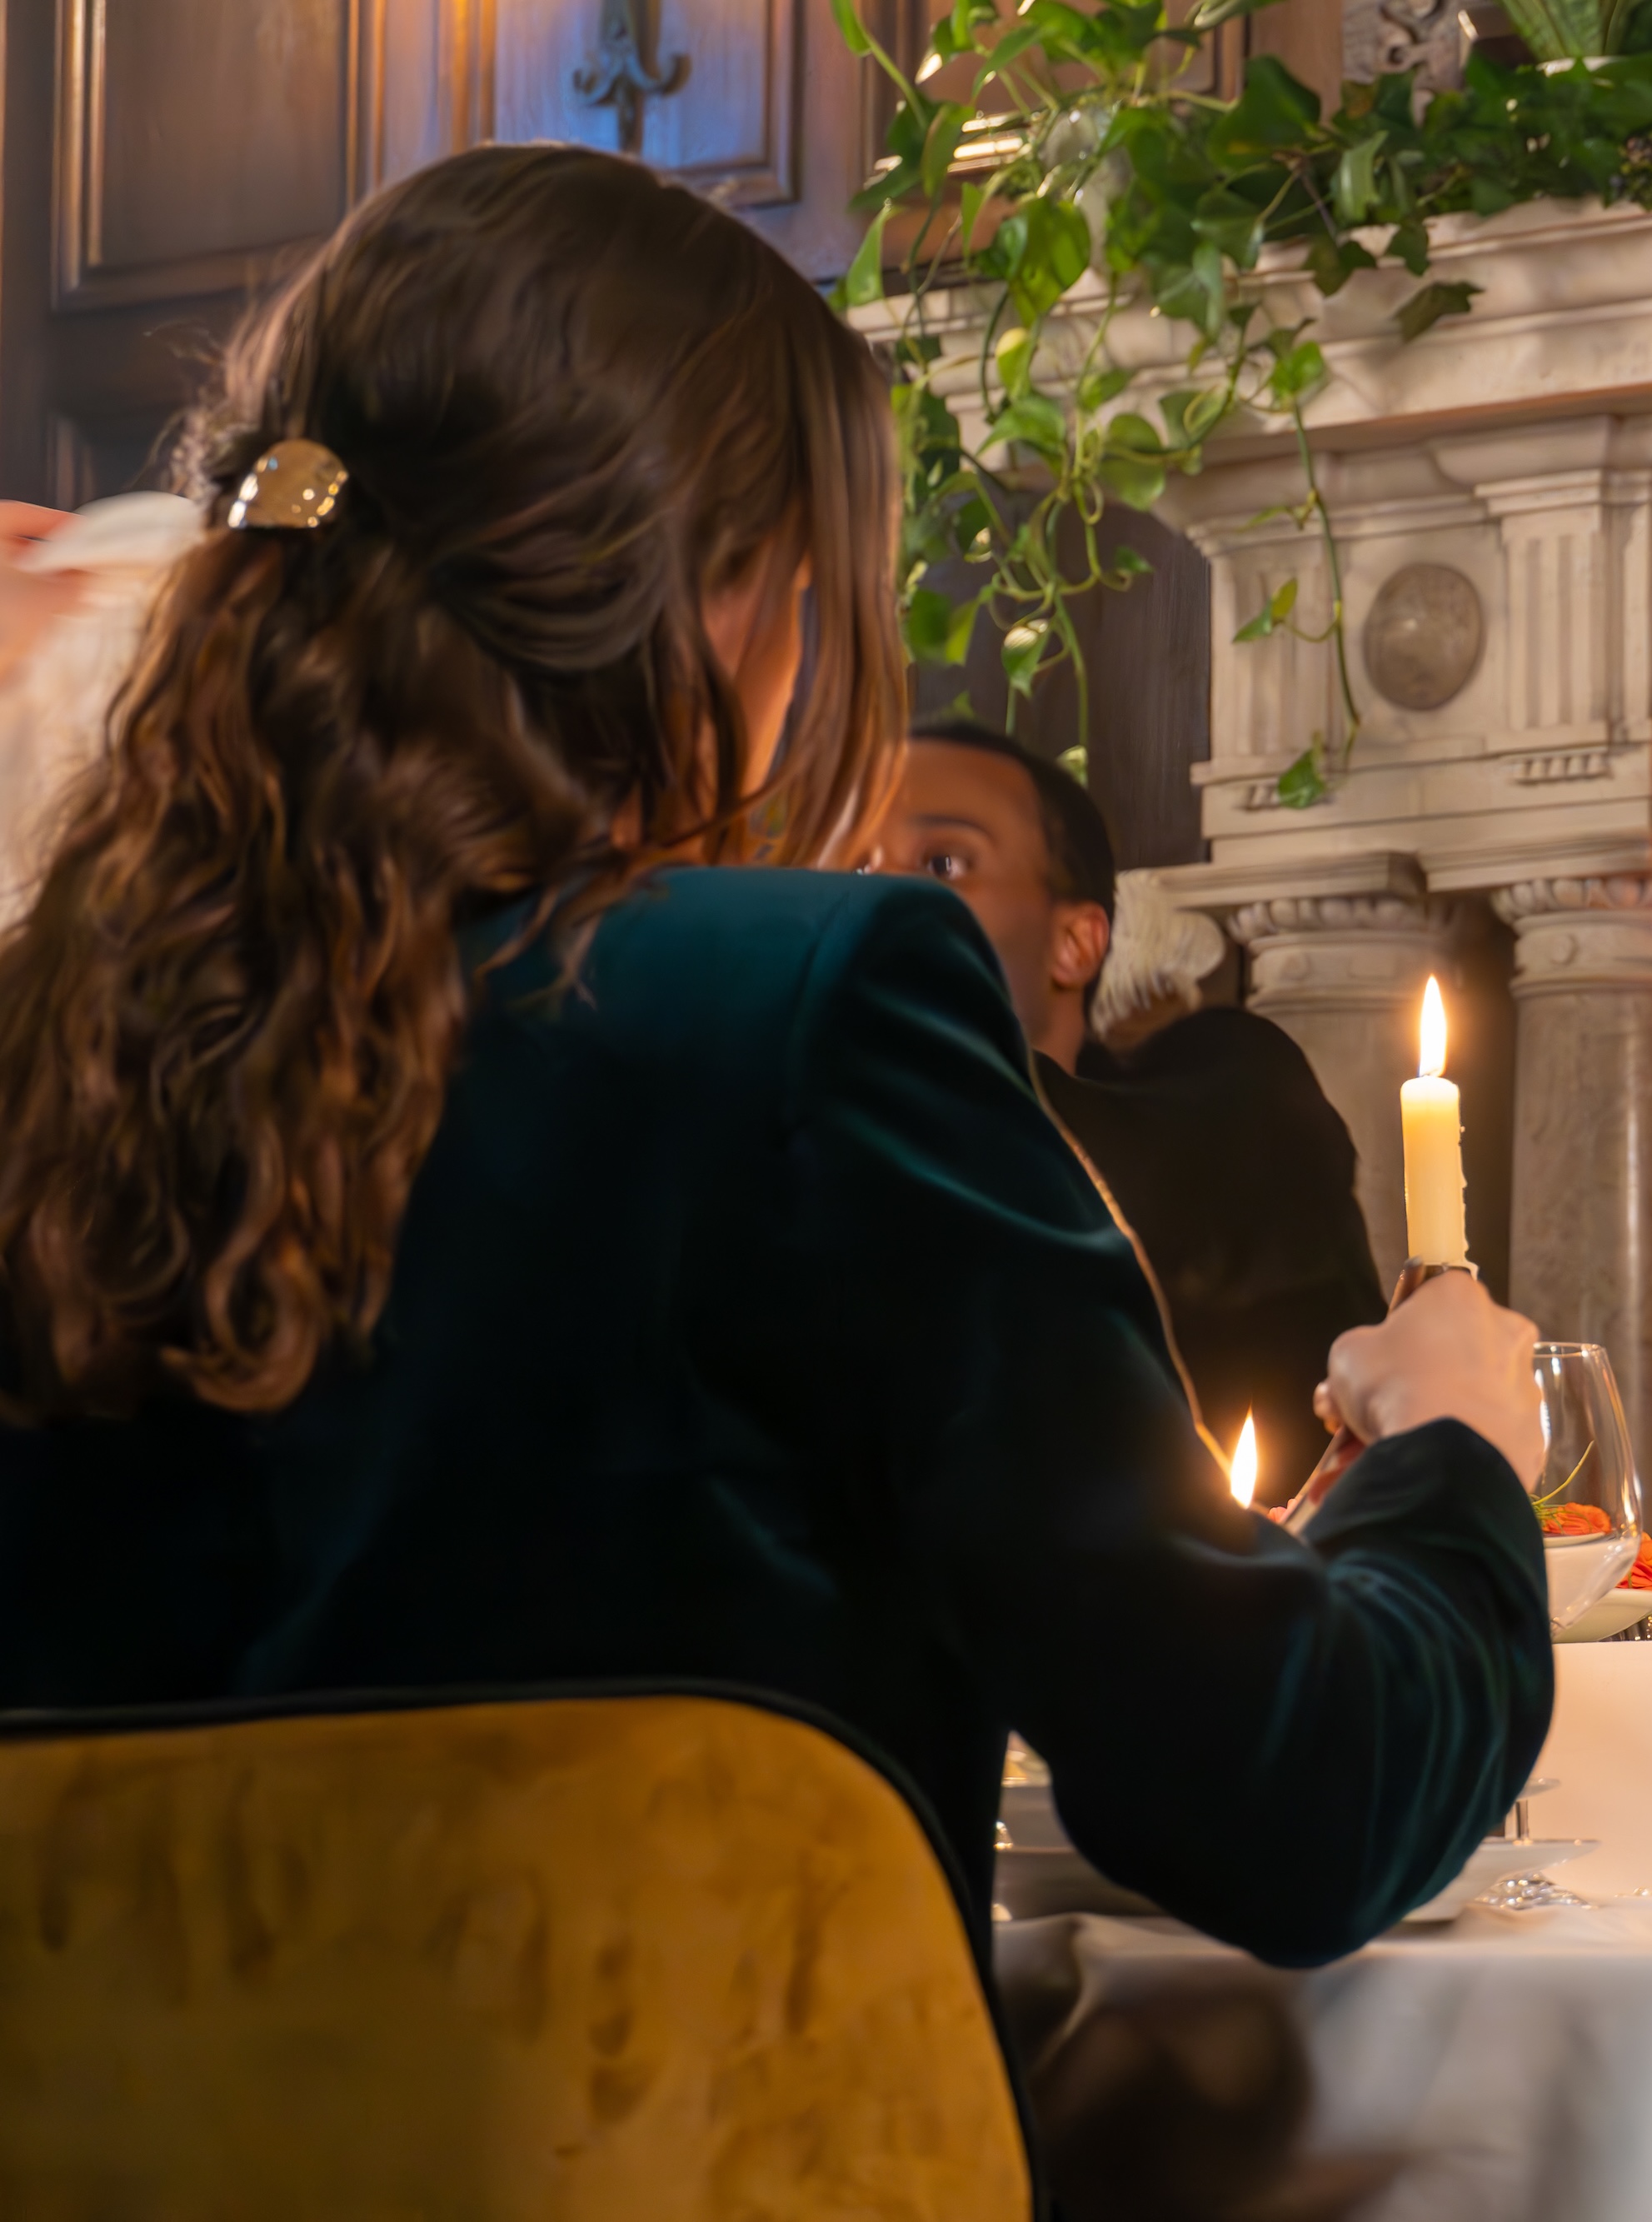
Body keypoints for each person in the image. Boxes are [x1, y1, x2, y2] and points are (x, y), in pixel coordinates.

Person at [0, 145, 1550, 1972]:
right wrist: (1451, 1460)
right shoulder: (806, 1006)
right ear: (724, 594)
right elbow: (1290, 1799)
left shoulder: (49, 1036)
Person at [872, 715, 1385, 1498]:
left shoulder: (1234, 1104)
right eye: (848, 867)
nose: (875, 897)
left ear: (1075, 943)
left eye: (943, 862)